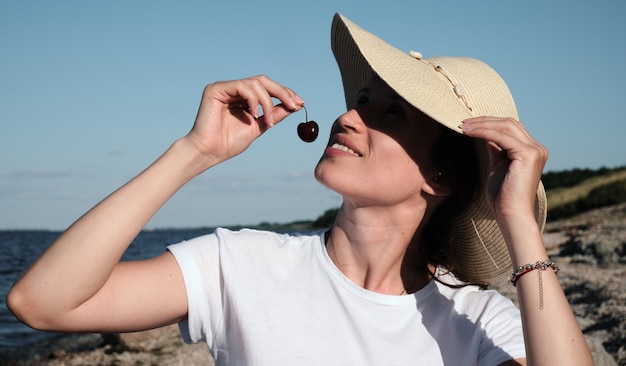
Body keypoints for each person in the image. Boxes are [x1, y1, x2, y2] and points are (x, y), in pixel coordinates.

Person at [7, 13, 593, 366]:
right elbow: (42, 302)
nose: (348, 118)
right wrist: (196, 151)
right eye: (361, 102)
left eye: (390, 116)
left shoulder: (478, 320)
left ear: (439, 177)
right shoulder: (239, 263)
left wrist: (517, 217)